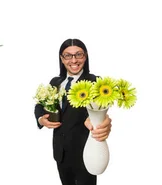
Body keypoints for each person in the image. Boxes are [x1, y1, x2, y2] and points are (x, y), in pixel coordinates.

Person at [34, 38, 113, 185]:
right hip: (60, 152)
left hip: (86, 151)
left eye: (79, 54)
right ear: (62, 59)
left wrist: (104, 121)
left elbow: (103, 110)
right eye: (68, 55)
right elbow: (40, 105)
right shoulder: (55, 82)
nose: (74, 60)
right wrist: (41, 119)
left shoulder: (96, 82)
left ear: (86, 56)